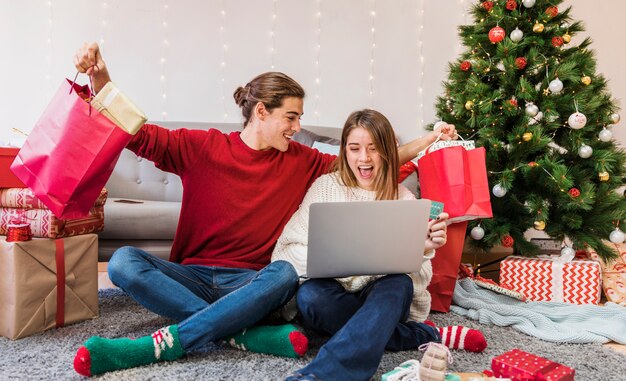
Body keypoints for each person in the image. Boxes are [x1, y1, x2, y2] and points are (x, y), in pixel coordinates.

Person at [71, 42, 458, 377]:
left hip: (254, 284)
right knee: (122, 262)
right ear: (260, 112)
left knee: (287, 274)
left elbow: (366, 160)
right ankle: (240, 333)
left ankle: (173, 339)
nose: (297, 126)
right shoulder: (201, 146)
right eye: (291, 117)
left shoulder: (301, 160)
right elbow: (137, 135)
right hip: (192, 273)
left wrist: (429, 140)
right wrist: (102, 85)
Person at [272, 109, 487, 381]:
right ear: (344, 151)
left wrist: (423, 249)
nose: (364, 158)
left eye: (373, 149)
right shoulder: (325, 187)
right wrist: (344, 266)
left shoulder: (404, 200)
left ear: (387, 152)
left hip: (381, 295)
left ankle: (322, 375)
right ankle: (418, 335)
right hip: (331, 294)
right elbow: (288, 250)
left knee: (398, 284)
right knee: (310, 297)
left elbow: (418, 281)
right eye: (354, 148)